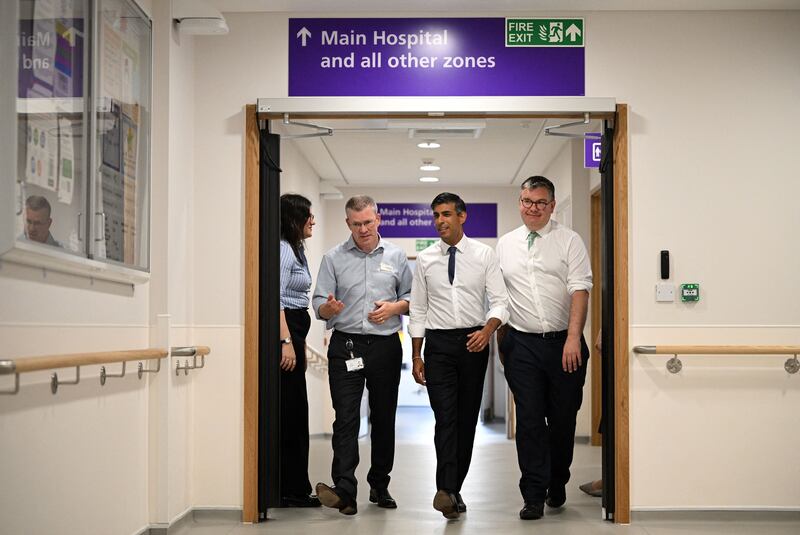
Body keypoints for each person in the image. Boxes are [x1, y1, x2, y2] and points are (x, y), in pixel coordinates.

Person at [496, 176, 592, 521]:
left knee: (563, 420)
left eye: (539, 202)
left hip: (564, 344)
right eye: (526, 201)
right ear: (519, 202)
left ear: (552, 206)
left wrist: (571, 337)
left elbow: (580, 289)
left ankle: (557, 479)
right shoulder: (505, 244)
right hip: (522, 344)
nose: (532, 208)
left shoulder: (569, 241)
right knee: (531, 421)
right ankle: (533, 494)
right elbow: (498, 295)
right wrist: (502, 338)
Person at [409, 192, 509, 519]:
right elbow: (419, 310)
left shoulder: (484, 255)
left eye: (447, 214)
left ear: (462, 216)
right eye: (436, 215)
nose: (440, 221)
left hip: (473, 343)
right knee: (445, 418)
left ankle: (454, 489)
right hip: (438, 346)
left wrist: (487, 331)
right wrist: (417, 355)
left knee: (466, 420)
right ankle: (445, 489)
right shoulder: (425, 260)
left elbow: (499, 301)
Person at [312, 195, 412, 515]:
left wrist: (395, 307)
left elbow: (411, 299)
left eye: (368, 222)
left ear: (378, 219)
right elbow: (319, 304)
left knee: (383, 418)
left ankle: (380, 484)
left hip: (385, 345)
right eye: (357, 224)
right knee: (346, 418)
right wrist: (328, 308)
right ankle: (344, 489)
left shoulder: (396, 257)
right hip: (346, 346)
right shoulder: (333, 258)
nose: (364, 229)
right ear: (348, 224)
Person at [277, 193, 320, 507]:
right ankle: (291, 489)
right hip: (287, 330)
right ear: (295, 219)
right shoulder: (283, 250)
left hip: (296, 329)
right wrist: (286, 342)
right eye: (308, 215)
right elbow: (276, 298)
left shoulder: (297, 249)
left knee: (297, 411)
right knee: (292, 413)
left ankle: (296, 485)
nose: (313, 221)